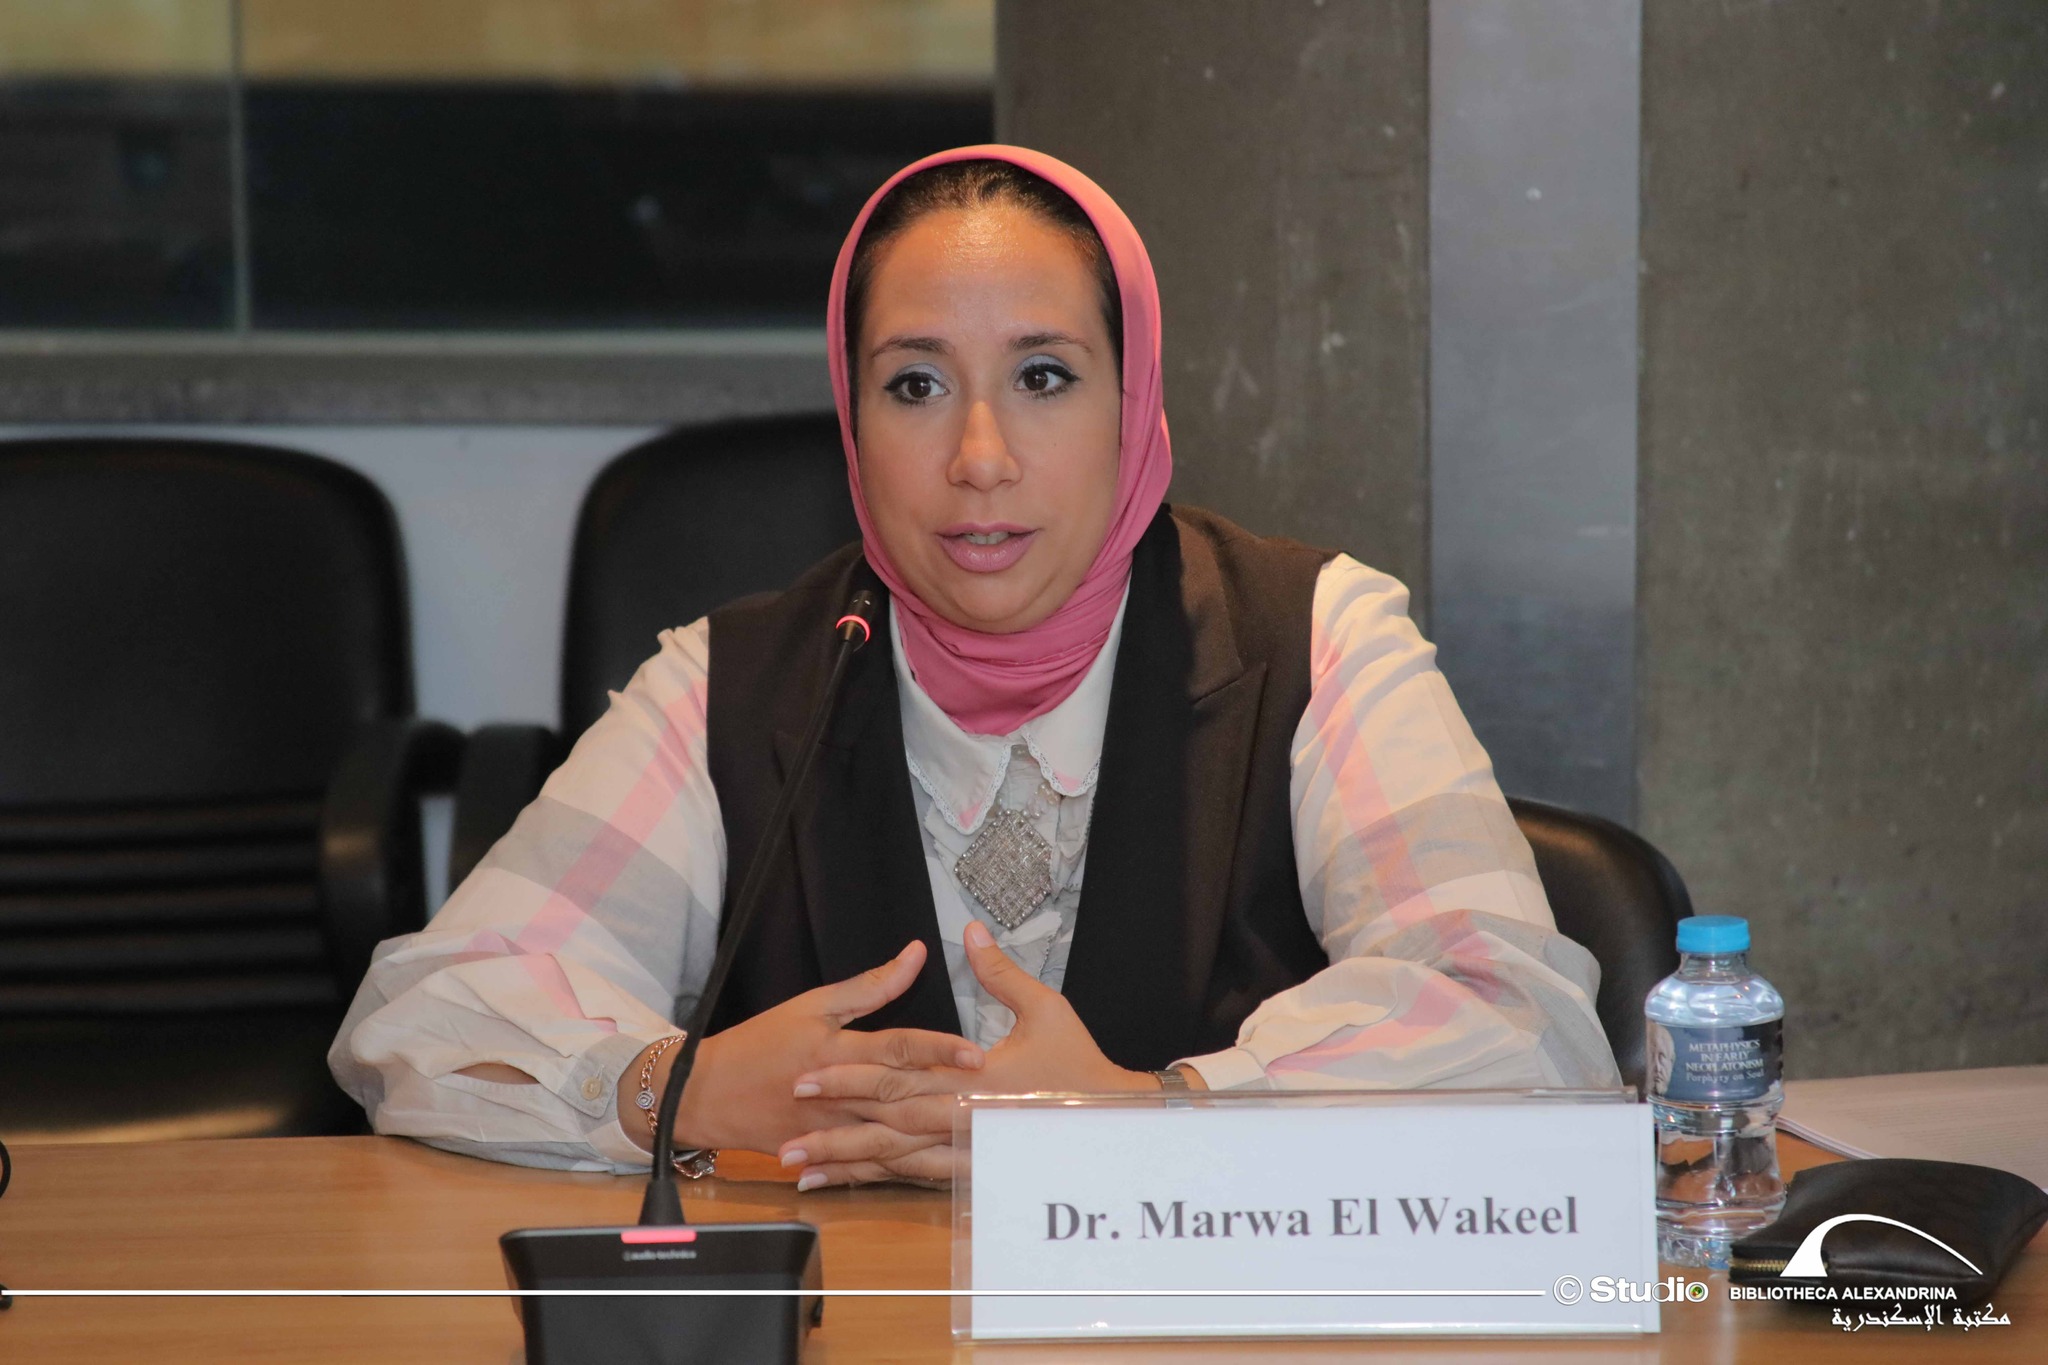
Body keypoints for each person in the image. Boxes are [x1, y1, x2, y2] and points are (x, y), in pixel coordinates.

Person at [329, 144, 1620, 1192]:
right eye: (915, 386)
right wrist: (676, 1090)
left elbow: (1520, 1024)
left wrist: (1158, 1114)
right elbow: (428, 1016)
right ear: (853, 418)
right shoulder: (734, 682)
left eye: (1045, 376)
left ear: (1134, 401)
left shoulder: (1319, 638)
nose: (981, 457)